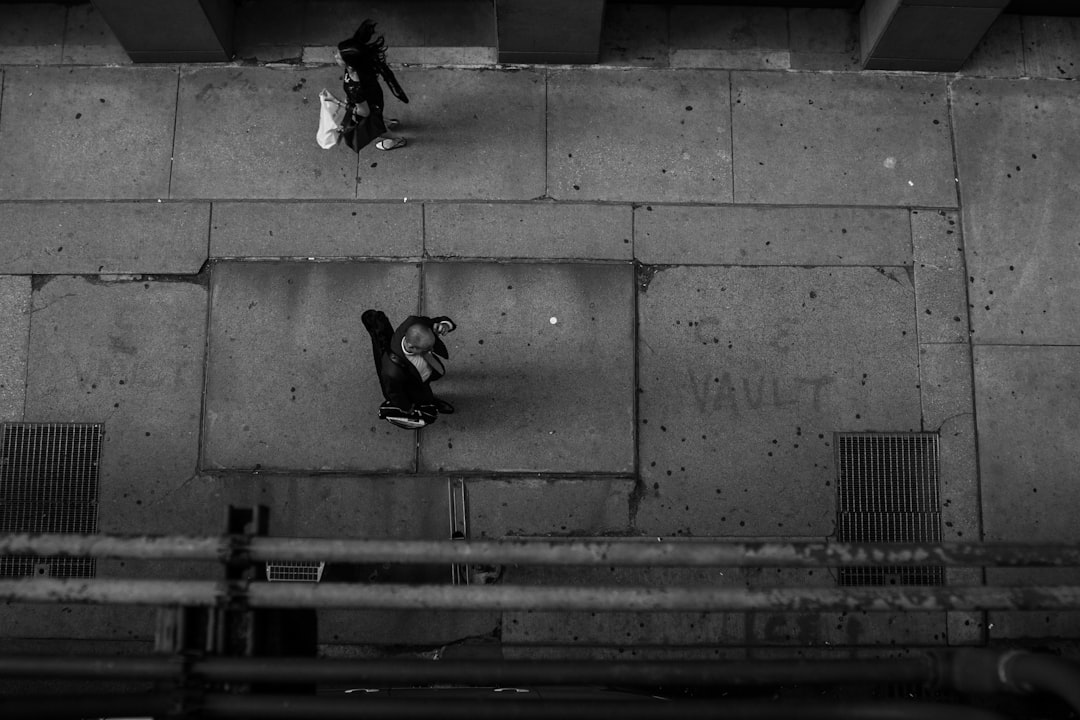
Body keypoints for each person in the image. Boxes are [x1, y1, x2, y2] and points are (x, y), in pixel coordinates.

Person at [362, 310, 456, 429]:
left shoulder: (414, 323)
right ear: (411, 346)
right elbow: (394, 393)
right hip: (414, 383)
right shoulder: (392, 371)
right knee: (424, 396)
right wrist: (406, 407)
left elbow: (434, 322)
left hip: (426, 370)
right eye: (426, 348)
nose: (431, 350)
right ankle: (430, 402)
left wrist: (444, 325)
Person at [335, 19, 409, 151]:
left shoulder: (355, 86)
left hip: (367, 106)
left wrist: (341, 104)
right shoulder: (360, 68)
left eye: (339, 56)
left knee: (375, 129)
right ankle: (386, 122)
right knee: (376, 117)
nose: (335, 56)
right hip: (374, 100)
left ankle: (396, 140)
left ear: (349, 63)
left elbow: (364, 112)